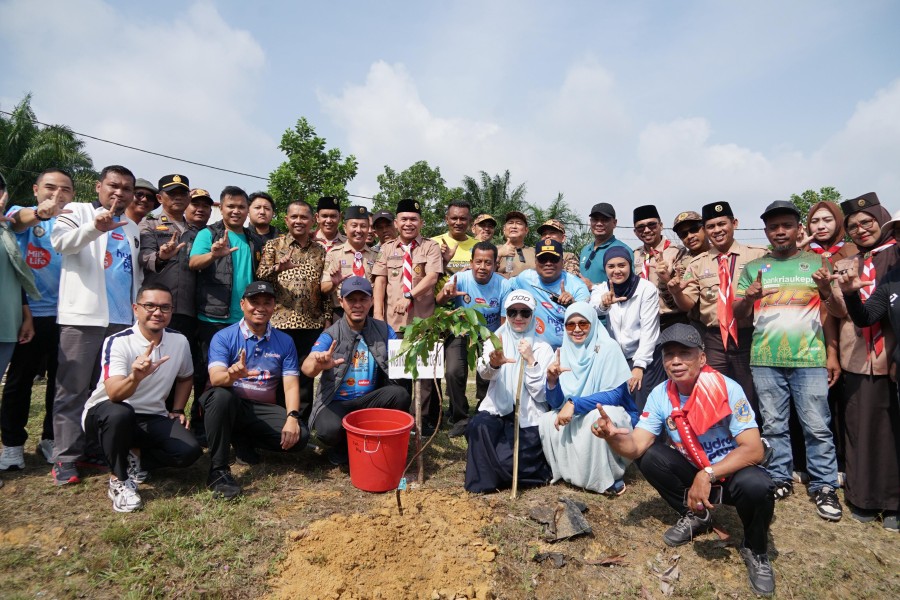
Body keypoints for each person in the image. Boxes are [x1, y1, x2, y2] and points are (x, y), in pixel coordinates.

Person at [592, 324, 776, 597]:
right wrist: (611, 437)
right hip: (694, 468)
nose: (675, 361)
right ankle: (697, 516)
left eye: (684, 353)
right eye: (669, 355)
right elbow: (635, 446)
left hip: (730, 471)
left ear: (702, 358)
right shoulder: (660, 395)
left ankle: (756, 549)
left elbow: (753, 450)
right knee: (650, 456)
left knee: (758, 485)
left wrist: (707, 474)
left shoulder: (727, 388)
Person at [734, 201, 843, 521]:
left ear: (799, 229)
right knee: (774, 425)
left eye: (786, 226)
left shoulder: (817, 263)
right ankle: (780, 477)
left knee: (817, 426)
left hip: (809, 358)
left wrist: (827, 292)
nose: (780, 231)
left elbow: (836, 312)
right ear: (766, 231)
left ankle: (824, 485)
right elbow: (739, 316)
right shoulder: (755, 268)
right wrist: (750, 298)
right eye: (773, 227)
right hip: (765, 358)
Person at [50, 165, 142, 485]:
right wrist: (94, 227)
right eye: (114, 186)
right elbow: (61, 243)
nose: (120, 193)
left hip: (120, 323)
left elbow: (132, 273)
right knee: (72, 390)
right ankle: (65, 457)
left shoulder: (131, 226)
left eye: (127, 188)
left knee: (102, 392)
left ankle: (92, 449)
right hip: (83, 318)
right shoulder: (77, 211)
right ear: (98, 186)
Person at [81, 284, 203, 512]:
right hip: (107, 412)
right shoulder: (119, 341)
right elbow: (115, 394)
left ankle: (136, 456)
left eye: (165, 307)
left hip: (152, 415)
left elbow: (186, 377)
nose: (157, 312)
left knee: (189, 451)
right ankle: (118, 479)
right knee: (121, 412)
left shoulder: (179, 341)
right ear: (135, 309)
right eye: (150, 306)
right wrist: (135, 378)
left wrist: (177, 410)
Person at [829, 192, 900, 529]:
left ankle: (894, 500)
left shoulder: (896, 255)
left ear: (881, 220)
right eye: (853, 227)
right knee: (860, 427)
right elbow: (850, 314)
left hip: (891, 357)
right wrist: (838, 292)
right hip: (857, 356)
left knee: (892, 430)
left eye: (867, 222)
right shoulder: (846, 263)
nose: (860, 230)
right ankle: (863, 497)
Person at [200, 281, 309, 499]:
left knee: (301, 437)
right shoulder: (224, 337)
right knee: (221, 396)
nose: (260, 307)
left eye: (266, 303)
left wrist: (292, 417)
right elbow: (216, 378)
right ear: (242, 304)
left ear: (274, 307)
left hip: (261, 408)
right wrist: (232, 375)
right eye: (254, 302)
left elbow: (290, 384)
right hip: (230, 402)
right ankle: (218, 470)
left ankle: (243, 439)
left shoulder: (285, 341)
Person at [1, 168, 73, 470]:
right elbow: (18, 223)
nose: (57, 194)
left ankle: (50, 438)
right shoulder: (20, 212)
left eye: (65, 189)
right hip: (27, 314)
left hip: (67, 315)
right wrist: (41, 214)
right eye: (50, 187)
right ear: (35, 189)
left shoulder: (72, 221)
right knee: (19, 381)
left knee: (60, 383)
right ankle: (13, 444)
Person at [668, 202, 767, 416]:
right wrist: (676, 292)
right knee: (716, 393)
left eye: (722, 224)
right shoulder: (697, 264)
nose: (717, 230)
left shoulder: (758, 256)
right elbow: (688, 303)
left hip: (749, 336)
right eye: (711, 226)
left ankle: (755, 441)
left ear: (735, 223)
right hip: (714, 339)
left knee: (752, 395)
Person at [302, 276, 411, 465]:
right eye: (352, 300)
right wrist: (319, 363)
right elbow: (307, 368)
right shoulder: (331, 334)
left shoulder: (383, 329)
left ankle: (378, 440)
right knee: (327, 430)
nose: (357, 305)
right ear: (342, 302)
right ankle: (342, 446)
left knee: (400, 394)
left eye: (363, 299)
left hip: (370, 399)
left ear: (371, 301)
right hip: (336, 402)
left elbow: (401, 359)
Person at [538, 302, 638, 495]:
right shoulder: (564, 351)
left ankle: (607, 478)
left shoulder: (608, 347)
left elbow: (615, 395)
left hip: (609, 412)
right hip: (577, 412)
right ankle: (573, 474)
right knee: (546, 419)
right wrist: (552, 382)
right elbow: (556, 403)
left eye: (583, 324)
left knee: (598, 418)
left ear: (593, 323)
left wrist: (574, 403)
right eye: (570, 325)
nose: (576, 330)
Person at [465, 291, 553, 492]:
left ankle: (493, 469)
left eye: (525, 313)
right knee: (478, 427)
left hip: (527, 416)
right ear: (506, 314)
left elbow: (540, 394)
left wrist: (531, 362)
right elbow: (484, 373)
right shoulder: (495, 340)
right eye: (513, 312)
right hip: (498, 410)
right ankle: (487, 477)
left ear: (533, 315)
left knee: (513, 460)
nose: (519, 318)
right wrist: (494, 364)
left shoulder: (542, 347)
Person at [257, 200, 332, 421]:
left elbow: (324, 287)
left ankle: (302, 425)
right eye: (294, 217)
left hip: (311, 323)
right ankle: (278, 422)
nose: (299, 221)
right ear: (286, 220)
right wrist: (276, 269)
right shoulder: (274, 245)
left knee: (306, 376)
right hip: (280, 322)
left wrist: (327, 318)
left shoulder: (320, 250)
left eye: (304, 217)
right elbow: (260, 277)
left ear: (312, 221)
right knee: (277, 375)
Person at [372, 199, 443, 429]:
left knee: (424, 378)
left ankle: (420, 424)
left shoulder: (430, 247)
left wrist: (409, 296)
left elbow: (432, 277)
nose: (409, 223)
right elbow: (380, 281)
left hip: (424, 323)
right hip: (394, 324)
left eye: (414, 219)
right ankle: (400, 421)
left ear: (421, 222)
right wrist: (378, 316)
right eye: (404, 219)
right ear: (396, 222)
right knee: (397, 376)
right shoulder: (386, 248)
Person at [189, 186, 261, 410]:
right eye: (231, 206)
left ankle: (233, 425)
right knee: (208, 373)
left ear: (248, 210)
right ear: (221, 208)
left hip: (244, 320)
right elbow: (193, 263)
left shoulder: (252, 239)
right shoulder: (208, 234)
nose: (236, 211)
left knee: (239, 373)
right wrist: (213, 254)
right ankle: (201, 426)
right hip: (213, 318)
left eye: (241, 207)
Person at [435, 241, 511, 437]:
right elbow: (439, 302)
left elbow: (504, 322)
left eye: (488, 263)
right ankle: (459, 417)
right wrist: (445, 295)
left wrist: (497, 346)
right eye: (478, 262)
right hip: (461, 331)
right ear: (471, 262)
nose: (482, 267)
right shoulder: (459, 278)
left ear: (496, 264)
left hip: (490, 333)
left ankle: (482, 410)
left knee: (488, 371)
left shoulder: (504, 284)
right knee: (453, 372)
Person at [139, 174, 199, 410]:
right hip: (157, 309)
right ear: (159, 197)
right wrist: (162, 256)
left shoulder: (195, 230)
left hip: (187, 308)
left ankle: (174, 416)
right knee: (153, 363)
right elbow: (144, 259)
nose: (177, 198)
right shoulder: (149, 224)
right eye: (171, 193)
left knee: (179, 365)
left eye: (182, 193)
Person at [591, 246, 662, 409]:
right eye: (611, 266)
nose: (617, 271)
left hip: (645, 357)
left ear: (630, 265)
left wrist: (639, 366)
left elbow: (649, 330)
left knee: (641, 404)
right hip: (617, 358)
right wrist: (604, 304)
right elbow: (592, 307)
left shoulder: (646, 288)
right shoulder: (602, 289)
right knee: (616, 407)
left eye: (621, 265)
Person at [506, 238, 590, 349]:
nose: (548, 263)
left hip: (569, 349)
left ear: (562, 262)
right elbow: (503, 284)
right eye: (543, 259)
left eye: (554, 259)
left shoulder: (578, 287)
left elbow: (587, 321)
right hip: (535, 349)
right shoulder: (526, 278)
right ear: (535, 262)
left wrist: (573, 305)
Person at [632, 205, 685, 329]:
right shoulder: (634, 255)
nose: (646, 230)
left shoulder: (677, 251)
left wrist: (667, 277)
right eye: (640, 227)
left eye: (651, 225)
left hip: (671, 319)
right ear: (635, 232)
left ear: (661, 226)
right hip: (642, 321)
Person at [321, 206, 377, 313]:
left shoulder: (376, 256)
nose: (359, 230)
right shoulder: (334, 254)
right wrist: (333, 284)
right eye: (354, 226)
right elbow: (323, 288)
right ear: (345, 228)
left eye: (363, 226)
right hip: (341, 312)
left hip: (369, 311)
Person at [670, 211, 709, 332]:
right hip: (700, 325)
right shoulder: (681, 264)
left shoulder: (722, 254)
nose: (689, 236)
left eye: (694, 229)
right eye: (683, 234)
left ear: (704, 229)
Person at [579, 203, 632, 289]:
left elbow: (629, 285)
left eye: (604, 220)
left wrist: (594, 287)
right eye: (595, 219)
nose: (599, 223)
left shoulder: (623, 250)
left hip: (610, 301)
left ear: (614, 223)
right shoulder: (585, 250)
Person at [496, 211, 534, 279]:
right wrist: (498, 254)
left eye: (519, 223)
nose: (514, 226)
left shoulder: (535, 252)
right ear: (504, 229)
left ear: (526, 230)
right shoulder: (493, 250)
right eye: (510, 223)